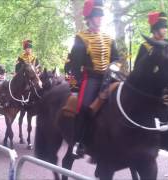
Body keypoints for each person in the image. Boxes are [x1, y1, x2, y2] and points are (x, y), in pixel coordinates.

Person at [68, 0, 120, 158]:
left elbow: (116, 59)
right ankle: (79, 142)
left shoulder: (109, 39)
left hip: (109, 77)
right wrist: (75, 86)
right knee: (84, 107)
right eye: (97, 16)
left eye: (101, 16)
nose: (100, 19)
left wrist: (114, 68)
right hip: (91, 78)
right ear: (89, 18)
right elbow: (75, 65)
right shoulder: (81, 38)